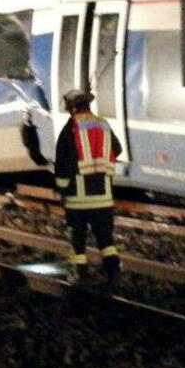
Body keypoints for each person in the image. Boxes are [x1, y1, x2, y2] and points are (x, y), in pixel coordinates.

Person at [54, 89, 122, 289]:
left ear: (71, 108)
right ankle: (113, 274)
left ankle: (80, 276)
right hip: (104, 197)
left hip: (78, 199)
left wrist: (61, 188)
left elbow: (63, 163)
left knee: (78, 241)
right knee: (106, 240)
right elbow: (117, 149)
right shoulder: (103, 124)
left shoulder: (71, 128)